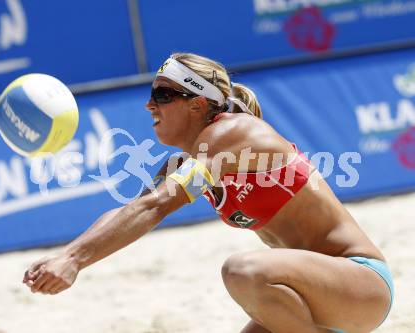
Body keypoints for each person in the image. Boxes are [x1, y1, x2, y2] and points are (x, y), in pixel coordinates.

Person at [23, 53, 394, 333]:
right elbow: (139, 208)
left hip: (359, 284)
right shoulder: (185, 164)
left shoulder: (235, 134)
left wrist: (73, 261)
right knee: (247, 273)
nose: (149, 104)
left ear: (198, 103)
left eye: (163, 94)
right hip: (306, 296)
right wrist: (68, 254)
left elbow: (156, 206)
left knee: (242, 269)